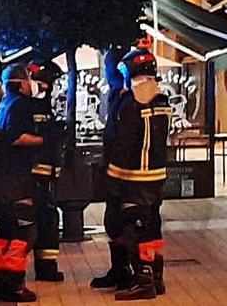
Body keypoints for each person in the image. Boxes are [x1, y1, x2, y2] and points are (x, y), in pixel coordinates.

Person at [105, 49, 171, 300]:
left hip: (134, 177)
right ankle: (155, 276)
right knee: (152, 226)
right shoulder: (161, 100)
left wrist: (112, 177)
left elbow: (124, 144)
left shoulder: (134, 104)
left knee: (136, 227)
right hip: (155, 176)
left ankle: (143, 280)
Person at [0, 63, 50, 302]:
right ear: (20, 82)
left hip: (2, 175)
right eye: (27, 79)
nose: (30, 83)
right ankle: (13, 284)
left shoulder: (5, 102)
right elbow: (18, 137)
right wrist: (45, 139)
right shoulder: (21, 104)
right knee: (25, 227)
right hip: (15, 176)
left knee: (5, 228)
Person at [92, 49, 133, 291]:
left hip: (126, 175)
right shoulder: (118, 96)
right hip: (115, 170)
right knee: (113, 222)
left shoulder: (130, 100)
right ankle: (119, 270)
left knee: (123, 222)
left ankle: (129, 271)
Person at [27, 60, 65, 282]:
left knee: (48, 218)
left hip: (45, 172)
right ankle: (45, 267)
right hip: (36, 174)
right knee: (44, 219)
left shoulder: (41, 106)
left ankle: (46, 266)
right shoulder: (31, 107)